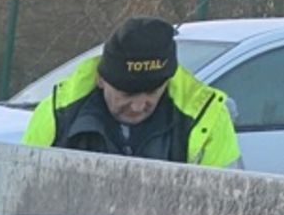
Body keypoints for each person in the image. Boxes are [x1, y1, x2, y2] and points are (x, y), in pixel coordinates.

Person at [23, 16, 240, 168]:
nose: (138, 106)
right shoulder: (57, 115)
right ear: (101, 79)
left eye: (153, 92)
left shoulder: (208, 120)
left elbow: (227, 210)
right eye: (127, 94)